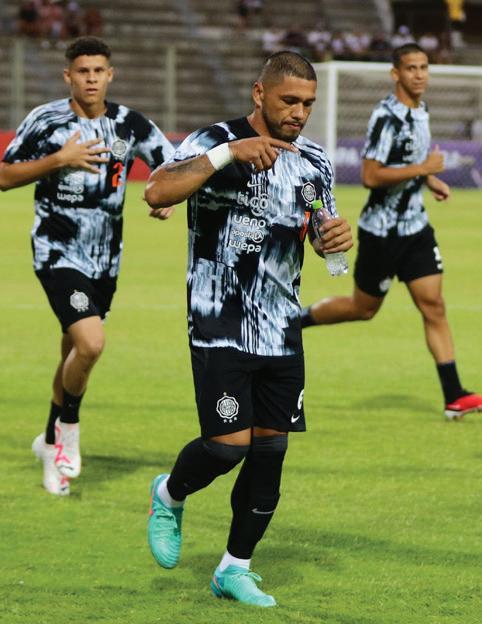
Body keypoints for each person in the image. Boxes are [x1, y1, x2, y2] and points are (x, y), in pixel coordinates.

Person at [144, 51, 352, 607]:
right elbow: (157, 192)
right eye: (289, 101)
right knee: (226, 447)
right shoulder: (214, 141)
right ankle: (169, 493)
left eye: (308, 104)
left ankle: (234, 568)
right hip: (220, 323)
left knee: (269, 452)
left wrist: (332, 239)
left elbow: (319, 226)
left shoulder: (314, 161)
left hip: (282, 327)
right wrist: (227, 154)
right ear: (259, 93)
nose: (299, 113)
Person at [0, 36, 174, 496]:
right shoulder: (47, 121)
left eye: (98, 71)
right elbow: (4, 175)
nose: (91, 79)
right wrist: (59, 159)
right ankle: (69, 431)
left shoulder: (130, 124)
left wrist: (165, 198)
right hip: (57, 252)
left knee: (72, 354)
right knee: (91, 343)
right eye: (83, 71)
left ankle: (49, 443)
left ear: (110, 75)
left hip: (105, 259)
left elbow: (171, 167)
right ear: (68, 76)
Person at [301, 43, 482, 421]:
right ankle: (295, 321)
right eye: (411, 68)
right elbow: (370, 175)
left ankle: (454, 396)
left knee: (434, 305)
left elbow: (410, 162)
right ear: (395, 74)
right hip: (381, 233)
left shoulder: (421, 110)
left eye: (424, 67)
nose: (420, 74)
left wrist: (428, 179)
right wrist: (423, 170)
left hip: (415, 228)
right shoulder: (386, 117)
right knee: (362, 309)